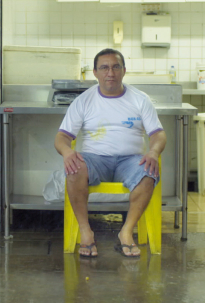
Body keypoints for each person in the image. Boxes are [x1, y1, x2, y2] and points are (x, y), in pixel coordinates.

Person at [55, 49, 167, 258]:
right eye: (104, 68)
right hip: (94, 160)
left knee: (149, 171)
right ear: (95, 73)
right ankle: (85, 231)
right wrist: (67, 151)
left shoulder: (140, 99)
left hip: (131, 160)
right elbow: (61, 137)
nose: (110, 73)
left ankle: (126, 231)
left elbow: (158, 134)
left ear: (124, 71)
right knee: (74, 168)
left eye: (116, 67)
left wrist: (153, 151)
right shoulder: (84, 101)